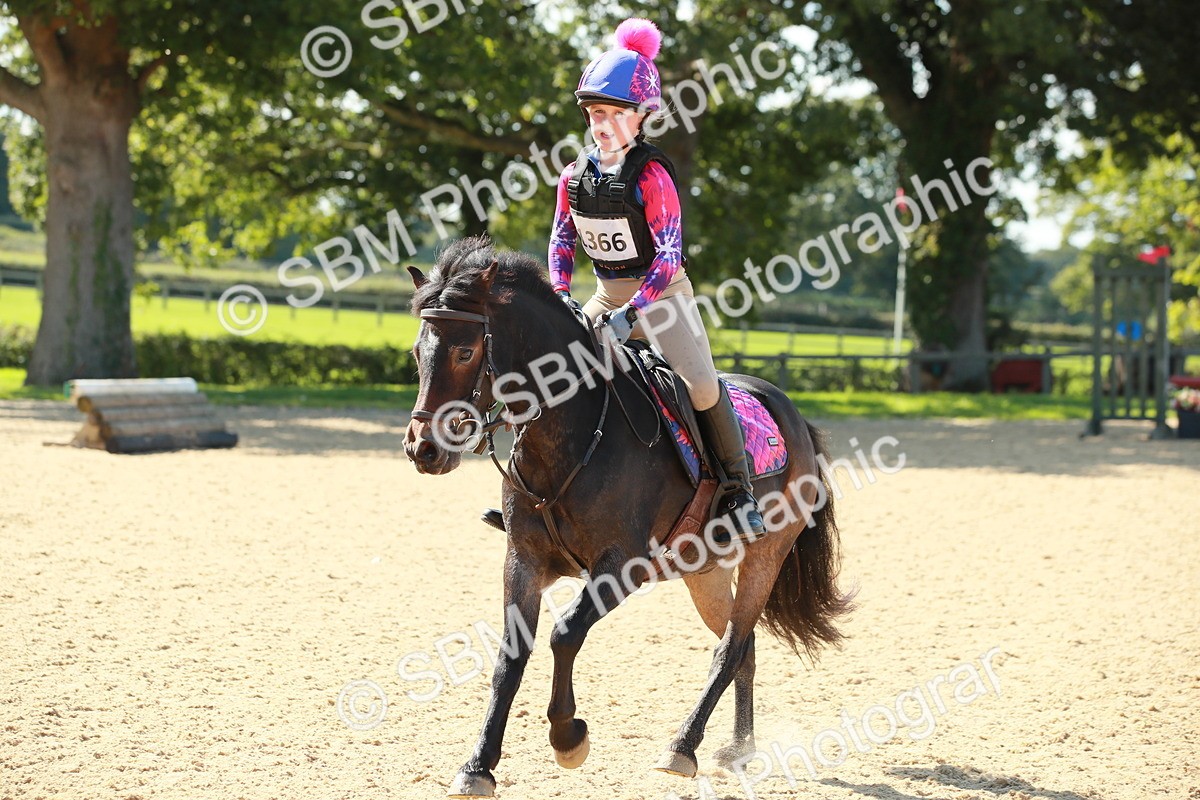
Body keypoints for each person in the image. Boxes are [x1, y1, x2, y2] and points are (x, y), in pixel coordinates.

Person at [483, 18, 764, 543]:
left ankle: (738, 489)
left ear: (641, 117)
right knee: (549, 371)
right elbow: (561, 243)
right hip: (604, 294)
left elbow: (669, 255)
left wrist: (632, 313)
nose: (603, 122)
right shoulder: (573, 176)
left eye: (615, 112)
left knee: (700, 385)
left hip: (663, 297)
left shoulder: (653, 175)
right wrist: (562, 298)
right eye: (595, 113)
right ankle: (527, 491)